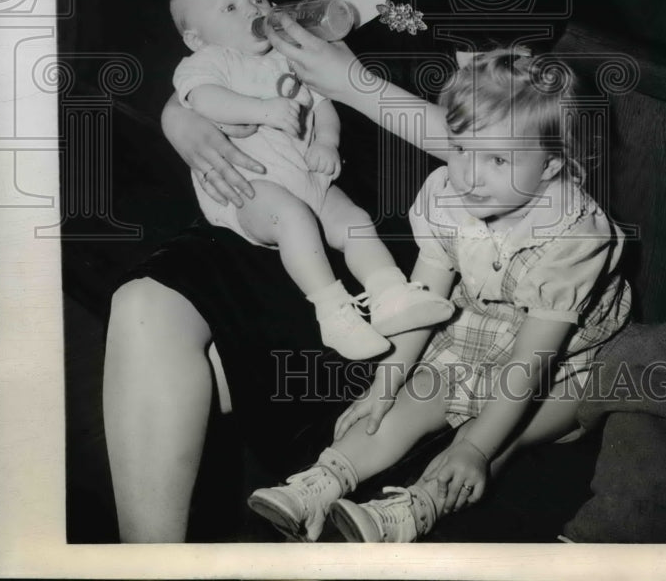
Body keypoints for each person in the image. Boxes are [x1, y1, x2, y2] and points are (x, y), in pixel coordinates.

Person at [103, 0, 539, 543]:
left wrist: (350, 80)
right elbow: (217, 53)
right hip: (284, 204)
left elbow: (497, 149)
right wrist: (179, 122)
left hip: (411, 245)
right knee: (142, 304)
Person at [247, 50, 632, 542]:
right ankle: (323, 481)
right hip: (482, 318)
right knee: (412, 396)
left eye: (497, 159)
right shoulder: (449, 195)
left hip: (567, 354)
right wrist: (387, 381)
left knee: (495, 434)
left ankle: (410, 511)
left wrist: (475, 448)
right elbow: (426, 295)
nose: (469, 175)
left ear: (553, 165)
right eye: (461, 149)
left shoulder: (574, 235)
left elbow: (530, 362)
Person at [169, 0, 453, 359]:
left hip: (307, 177)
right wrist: (264, 110)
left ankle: (390, 293)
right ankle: (334, 313)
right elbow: (204, 99)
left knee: (354, 221)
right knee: (294, 219)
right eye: (230, 8)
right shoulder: (206, 63)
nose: (254, 10)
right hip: (250, 189)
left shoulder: (287, 56)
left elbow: (323, 105)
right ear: (197, 39)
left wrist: (326, 142)